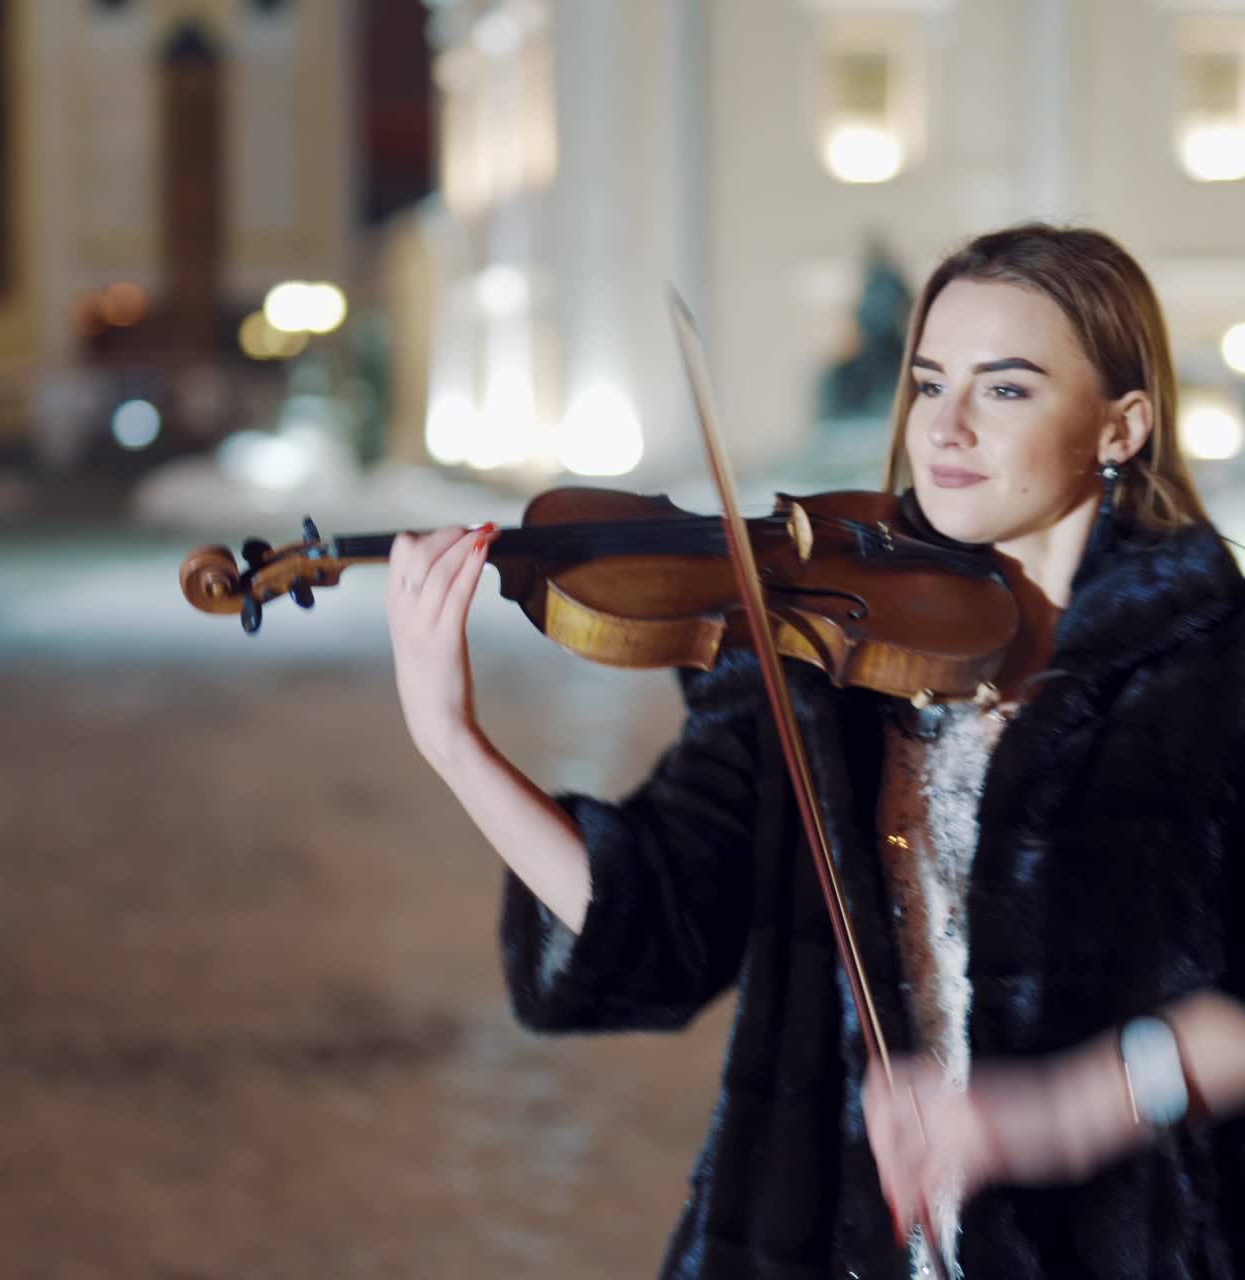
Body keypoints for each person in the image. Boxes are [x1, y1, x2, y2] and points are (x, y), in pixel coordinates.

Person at [385, 224, 1245, 1279]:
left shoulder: (1212, 670)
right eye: (928, 383)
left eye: (1004, 388)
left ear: (1119, 425)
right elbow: (653, 911)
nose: (947, 425)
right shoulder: (818, 650)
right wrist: (452, 742)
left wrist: (1056, 1113)